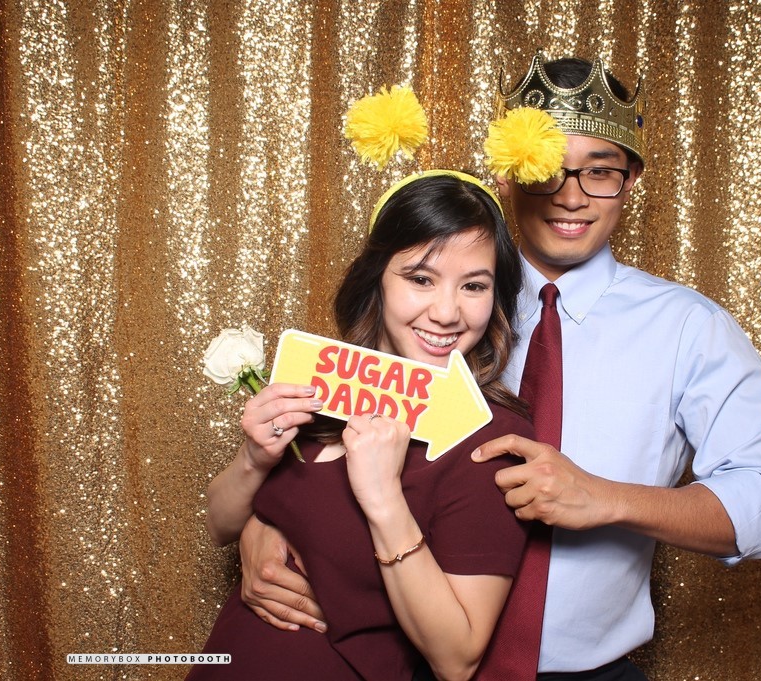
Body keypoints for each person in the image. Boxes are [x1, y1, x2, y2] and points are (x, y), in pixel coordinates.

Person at [238, 52, 761, 680]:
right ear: (506, 177)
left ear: (632, 179)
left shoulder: (689, 329)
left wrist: (606, 498)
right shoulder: (440, 311)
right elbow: (330, 448)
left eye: (601, 171)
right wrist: (266, 523)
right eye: (547, 172)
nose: (572, 197)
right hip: (402, 663)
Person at [188, 170, 536, 681]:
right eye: (421, 279)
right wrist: (253, 459)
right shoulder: (322, 385)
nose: (446, 312)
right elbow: (220, 525)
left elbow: (457, 659)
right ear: (377, 277)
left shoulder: (490, 439)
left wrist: (383, 498)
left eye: (474, 286)